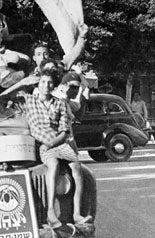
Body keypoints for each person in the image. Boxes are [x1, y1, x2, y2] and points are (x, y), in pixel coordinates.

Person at [24, 70, 92, 229]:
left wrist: (53, 143)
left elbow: (64, 130)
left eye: (49, 83)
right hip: (44, 144)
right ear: (37, 84)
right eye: (42, 82)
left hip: (59, 142)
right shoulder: (29, 101)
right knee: (53, 165)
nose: (46, 86)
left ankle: (77, 214)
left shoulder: (60, 103)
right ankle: (50, 211)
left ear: (54, 85)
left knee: (77, 168)